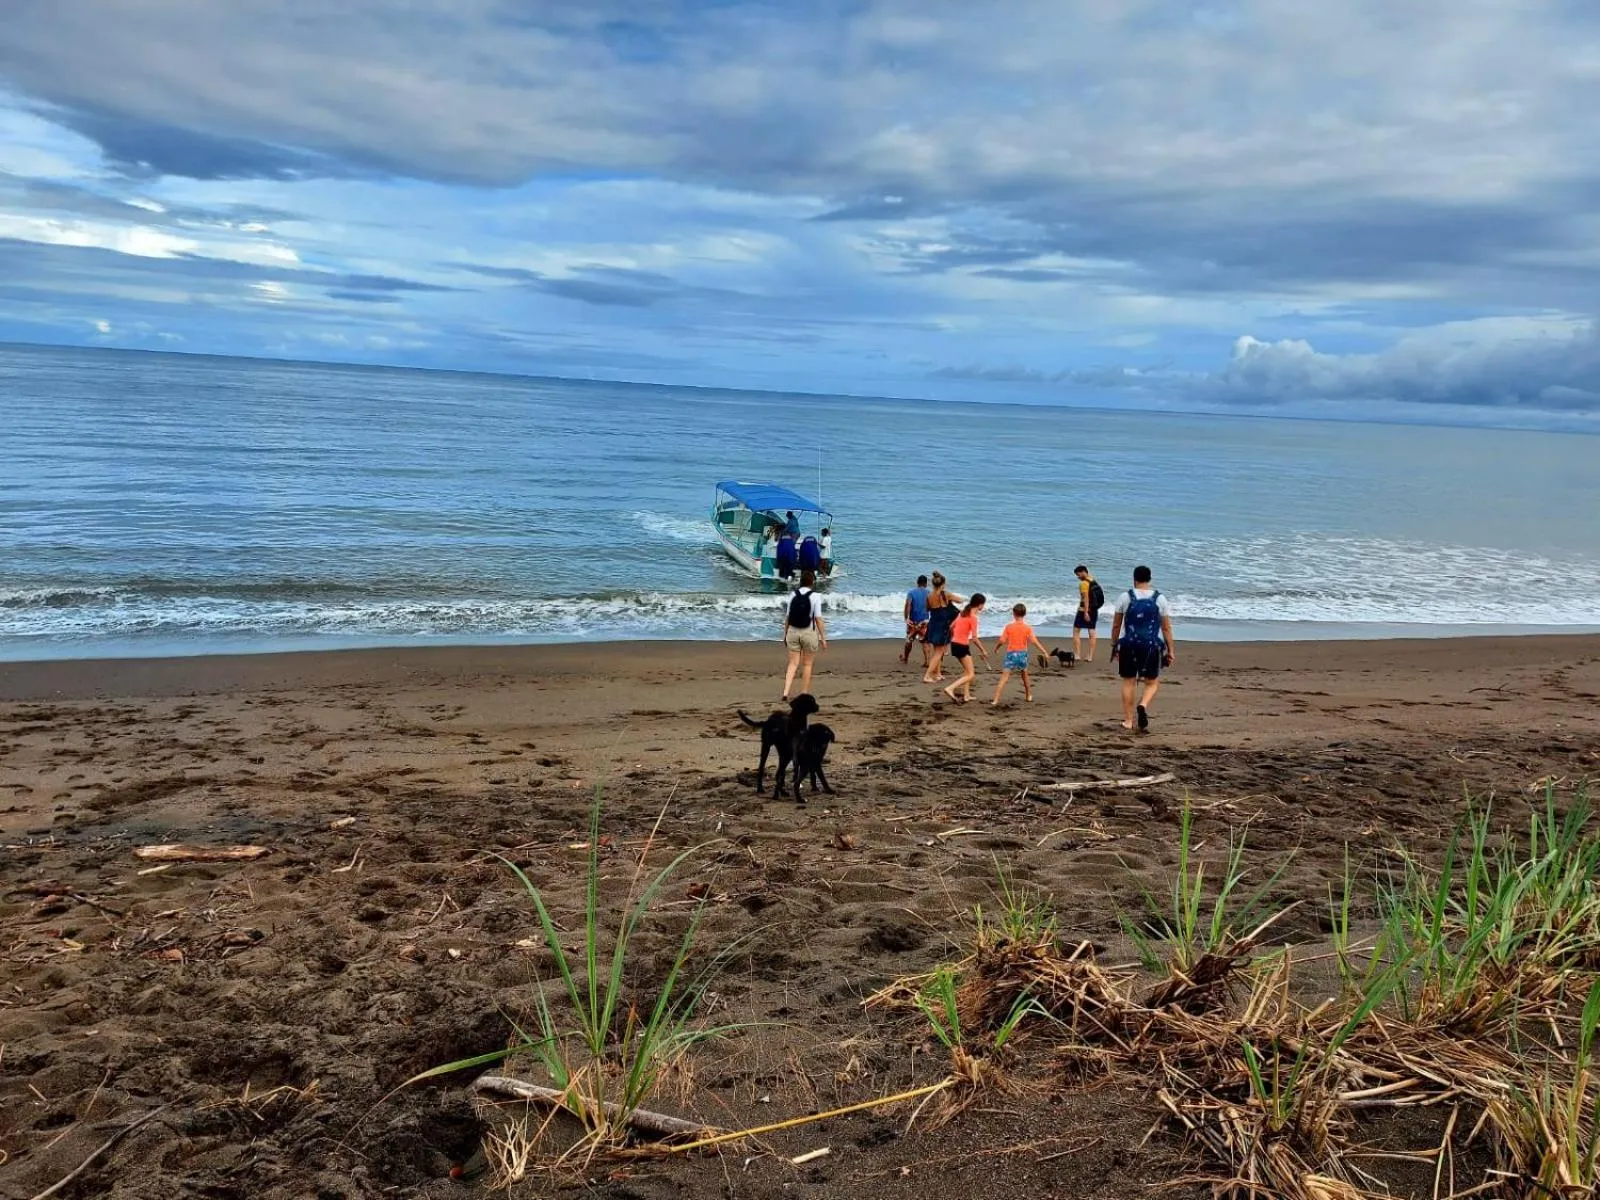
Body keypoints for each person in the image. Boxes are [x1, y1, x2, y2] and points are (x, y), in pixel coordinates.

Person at [1109, 565, 1175, 733]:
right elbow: (1166, 628)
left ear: (1134, 579)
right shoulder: (1160, 599)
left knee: (1128, 681)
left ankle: (1128, 721)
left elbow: (1116, 625)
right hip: (1151, 646)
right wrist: (1171, 650)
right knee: (1152, 682)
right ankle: (1143, 704)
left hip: (1129, 644)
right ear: (1150, 579)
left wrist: (1114, 645)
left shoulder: (1125, 597)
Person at [781, 569, 827, 701]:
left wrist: (785, 634)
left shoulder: (792, 595)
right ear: (812, 582)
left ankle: (785, 692)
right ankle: (804, 693)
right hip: (808, 632)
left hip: (793, 632)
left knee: (792, 664)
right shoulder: (815, 596)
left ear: (800, 582)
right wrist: (823, 638)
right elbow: (818, 619)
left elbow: (788, 617)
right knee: (807, 664)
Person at [992, 603, 1048, 706]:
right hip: (1022, 654)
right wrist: (1044, 651)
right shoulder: (1027, 628)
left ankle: (996, 699)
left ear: (1014, 614)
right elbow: (1034, 641)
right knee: (1025, 676)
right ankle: (1028, 695)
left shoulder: (1009, 627)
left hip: (1011, 654)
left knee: (1004, 678)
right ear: (1024, 614)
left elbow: (1002, 640)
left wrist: (996, 648)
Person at [943, 593, 990, 704]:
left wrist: (956, 636)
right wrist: (983, 650)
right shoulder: (973, 617)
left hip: (955, 644)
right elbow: (974, 638)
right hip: (962, 646)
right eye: (983, 604)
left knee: (967, 671)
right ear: (980, 605)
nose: (983, 607)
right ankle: (950, 688)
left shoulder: (962, 613)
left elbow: (951, 627)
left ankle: (966, 695)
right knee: (971, 674)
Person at [922, 572, 963, 684]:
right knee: (939, 652)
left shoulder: (929, 595)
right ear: (943, 584)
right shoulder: (946, 594)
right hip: (942, 624)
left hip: (933, 623)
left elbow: (927, 609)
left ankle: (937, 674)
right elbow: (960, 600)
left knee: (937, 650)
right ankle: (927, 675)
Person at [1073, 564, 1104, 663]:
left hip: (1083, 610)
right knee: (1092, 632)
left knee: (1076, 631)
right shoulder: (1093, 580)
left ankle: (1077, 655)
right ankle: (1090, 656)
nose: (1078, 577)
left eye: (1078, 575)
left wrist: (1086, 612)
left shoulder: (1083, 584)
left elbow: (1086, 598)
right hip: (1094, 610)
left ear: (1083, 572)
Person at [901, 574, 932, 666]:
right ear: (926, 584)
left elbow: (908, 605)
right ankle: (927, 661)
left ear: (917, 583)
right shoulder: (929, 593)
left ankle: (906, 659)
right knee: (925, 642)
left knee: (909, 640)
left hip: (913, 621)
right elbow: (932, 606)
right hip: (924, 621)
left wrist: (906, 618)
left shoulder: (911, 593)